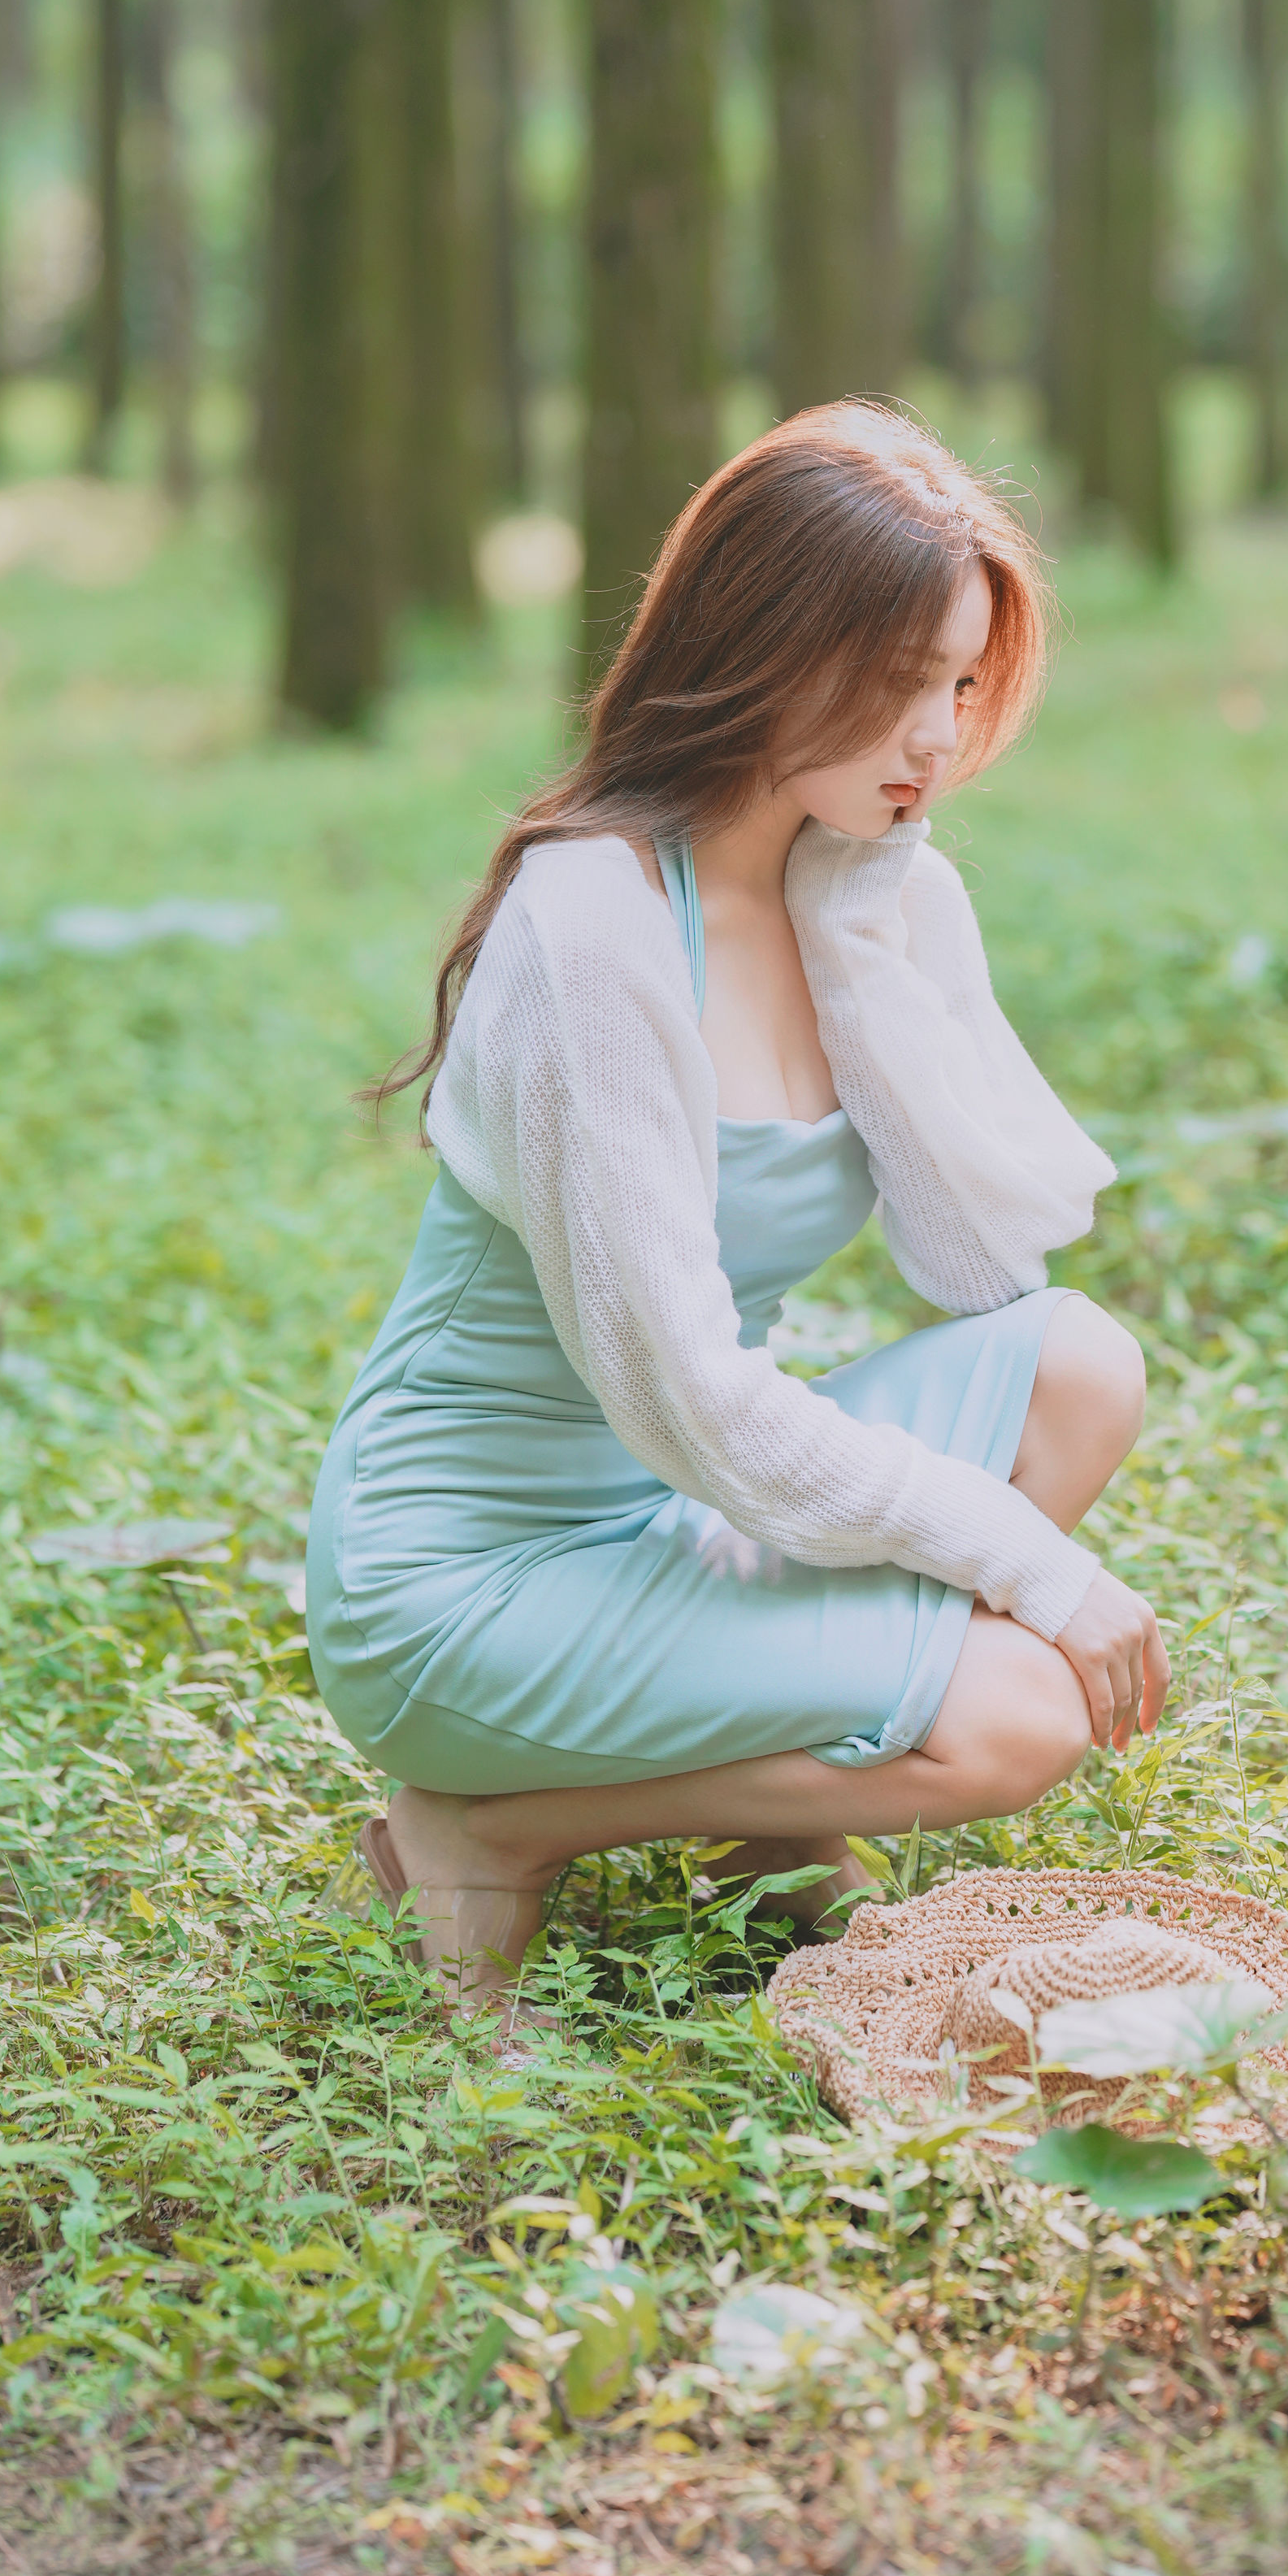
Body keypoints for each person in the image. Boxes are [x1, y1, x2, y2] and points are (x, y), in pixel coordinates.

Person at [306, 404, 1167, 2020]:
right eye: (899, 678)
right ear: (765, 650)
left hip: (672, 1509)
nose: (938, 738)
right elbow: (695, 1402)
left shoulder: (875, 878)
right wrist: (1037, 1577)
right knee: (1016, 1719)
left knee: (1078, 1365)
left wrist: (864, 945)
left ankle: (715, 1820)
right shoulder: (594, 929)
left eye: (962, 683)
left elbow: (980, 1266)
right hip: (467, 1577)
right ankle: (486, 1824)